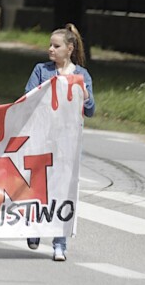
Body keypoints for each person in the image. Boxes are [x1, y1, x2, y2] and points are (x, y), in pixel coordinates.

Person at [25, 23, 95, 262]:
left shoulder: (81, 75)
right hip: (41, 140)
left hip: (67, 144)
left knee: (63, 190)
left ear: (69, 49)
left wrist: (85, 96)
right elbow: (28, 97)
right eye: (50, 45)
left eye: (56, 46)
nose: (50, 50)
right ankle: (34, 228)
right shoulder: (41, 70)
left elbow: (91, 109)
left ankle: (59, 243)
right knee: (38, 186)